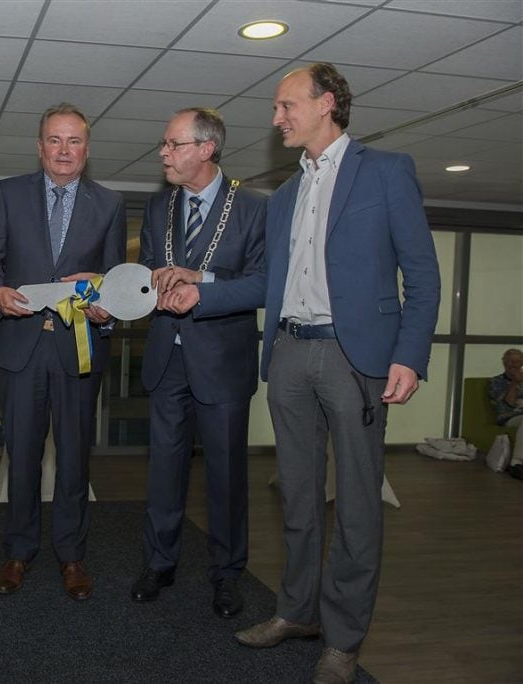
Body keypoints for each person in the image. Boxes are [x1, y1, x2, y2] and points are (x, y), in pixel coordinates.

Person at [176, 63, 440, 684]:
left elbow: (422, 275)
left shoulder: (386, 171)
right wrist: (200, 292)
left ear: (326, 104)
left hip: (356, 357)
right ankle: (297, 612)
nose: (276, 118)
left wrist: (408, 355)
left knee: (356, 506)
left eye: (285, 105)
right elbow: (266, 284)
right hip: (290, 353)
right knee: (297, 495)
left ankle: (343, 641)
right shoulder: (286, 196)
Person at [0, 103, 126, 601]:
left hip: (78, 349)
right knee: (21, 455)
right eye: (55, 140)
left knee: (74, 458)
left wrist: (105, 303)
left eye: (74, 141)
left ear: (87, 149)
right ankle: (18, 551)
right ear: (40, 146)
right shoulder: (8, 193)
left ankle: (71, 554)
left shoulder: (110, 203)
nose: (64, 150)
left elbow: (113, 278)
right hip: (21, 347)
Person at [132, 108, 265, 618]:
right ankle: (159, 563)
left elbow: (263, 283)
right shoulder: (157, 206)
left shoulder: (253, 208)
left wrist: (199, 280)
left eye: (173, 144)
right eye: (164, 144)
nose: (163, 153)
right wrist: (142, 282)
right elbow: (147, 270)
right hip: (166, 356)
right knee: (164, 471)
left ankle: (227, 574)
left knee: (226, 477)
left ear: (206, 149)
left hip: (223, 362)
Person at [489, 348, 523, 477]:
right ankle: (516, 463)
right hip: (509, 417)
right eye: (510, 361)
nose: (513, 364)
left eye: (517, 361)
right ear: (504, 362)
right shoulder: (496, 382)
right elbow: (509, 404)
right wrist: (515, 382)